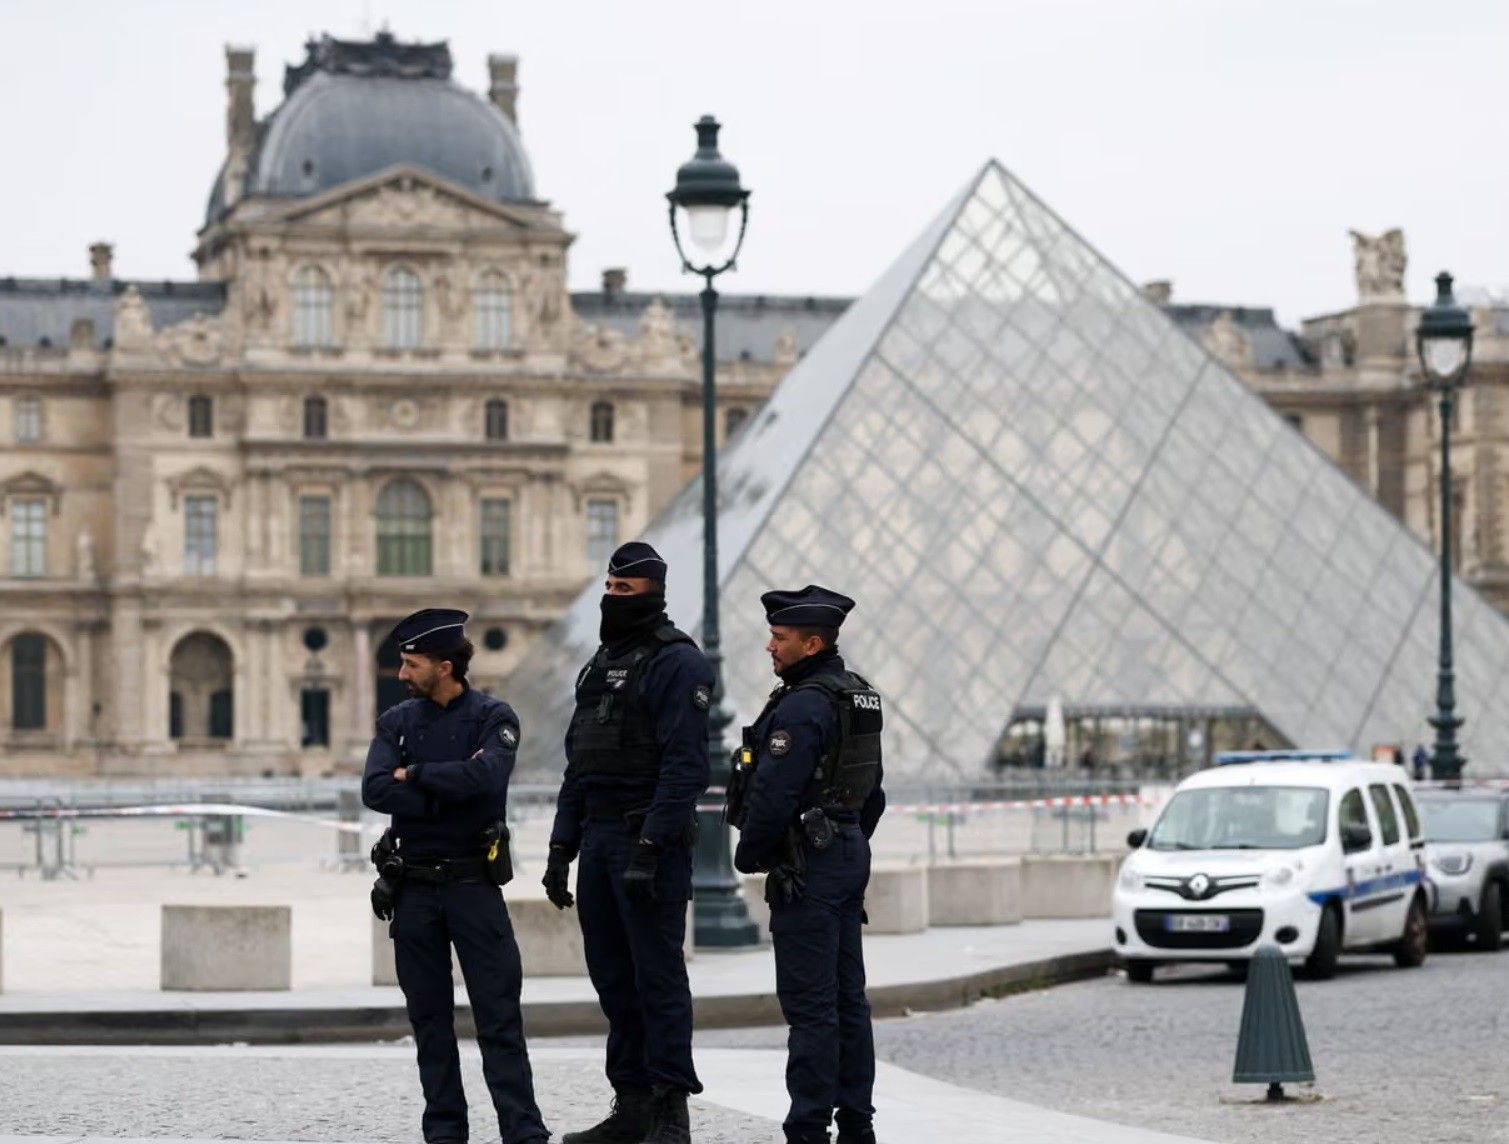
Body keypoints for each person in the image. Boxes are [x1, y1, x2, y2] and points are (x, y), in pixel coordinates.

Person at [543, 542, 713, 1144]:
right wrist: (561, 848)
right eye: (609, 590)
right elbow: (578, 761)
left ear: (653, 594)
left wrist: (651, 845)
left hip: (647, 839)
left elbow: (685, 767)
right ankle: (632, 1103)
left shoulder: (678, 663)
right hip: (598, 837)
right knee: (612, 978)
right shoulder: (598, 664)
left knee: (658, 978)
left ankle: (670, 1111)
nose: (612, 601)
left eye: (625, 592)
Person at [361, 608, 548, 1144]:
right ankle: (445, 1131)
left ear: (445, 666)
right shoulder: (397, 721)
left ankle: (523, 1130)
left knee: (499, 1019)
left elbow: (488, 777)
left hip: (473, 886)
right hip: (414, 888)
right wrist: (452, 791)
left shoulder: (494, 716)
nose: (401, 675)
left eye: (411, 664)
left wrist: (416, 776)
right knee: (428, 1023)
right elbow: (375, 790)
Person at [727, 585, 886, 1144]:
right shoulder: (859, 695)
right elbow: (875, 795)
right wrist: (844, 838)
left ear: (811, 642)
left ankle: (809, 1128)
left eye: (780, 637)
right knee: (848, 999)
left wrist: (752, 854)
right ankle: (858, 1124)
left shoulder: (802, 705)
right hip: (845, 853)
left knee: (811, 1006)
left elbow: (773, 793)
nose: (770, 646)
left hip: (808, 863)